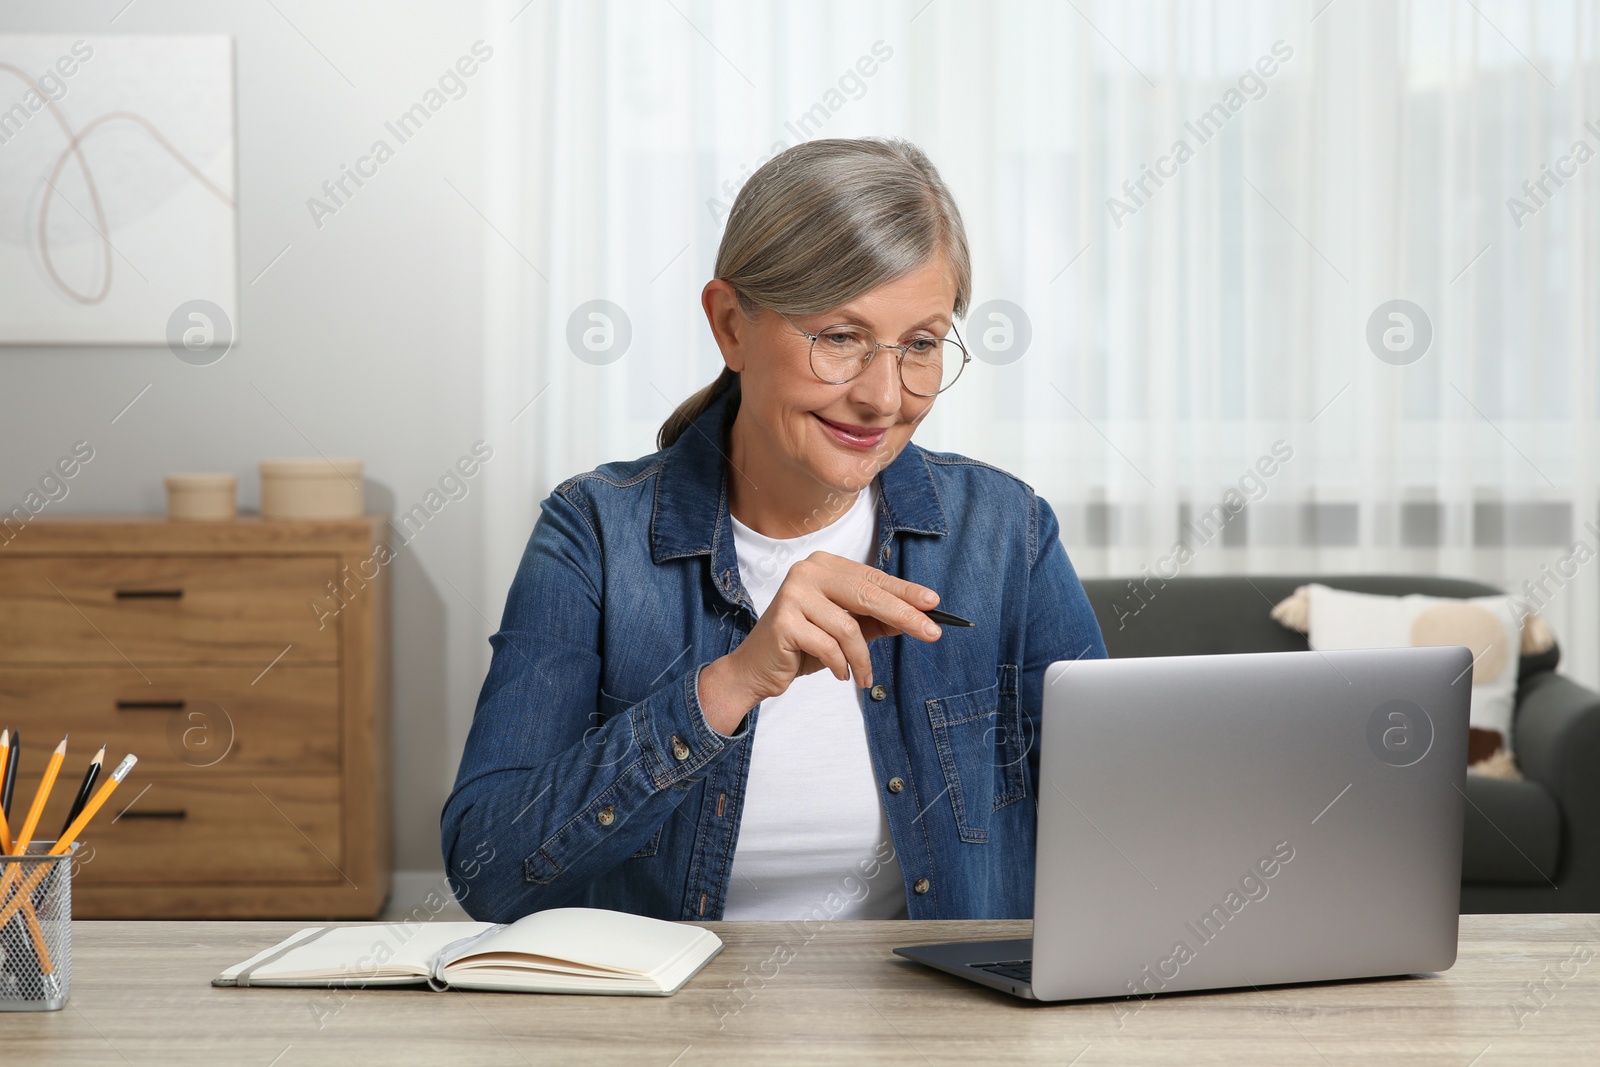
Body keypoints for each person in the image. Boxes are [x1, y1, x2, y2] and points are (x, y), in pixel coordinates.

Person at [441, 136, 1107, 924]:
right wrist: (734, 680)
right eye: (840, 338)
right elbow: (489, 868)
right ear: (730, 325)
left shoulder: (1006, 533)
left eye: (920, 345)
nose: (883, 397)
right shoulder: (593, 533)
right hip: (666, 1036)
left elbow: (1122, 823)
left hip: (940, 1030)